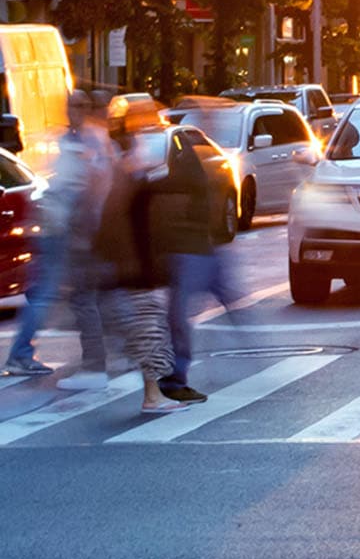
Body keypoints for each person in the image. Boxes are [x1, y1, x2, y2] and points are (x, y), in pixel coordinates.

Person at [3, 90, 111, 380]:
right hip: (63, 228)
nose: (77, 109)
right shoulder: (81, 141)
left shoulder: (75, 139)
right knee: (58, 293)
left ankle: (24, 352)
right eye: (74, 105)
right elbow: (83, 185)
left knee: (46, 292)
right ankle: (23, 355)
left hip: (58, 225)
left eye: (81, 105)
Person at [95, 118, 184, 413]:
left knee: (150, 331)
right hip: (135, 272)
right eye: (138, 144)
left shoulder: (129, 178)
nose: (143, 149)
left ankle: (153, 393)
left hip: (139, 268)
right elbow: (117, 225)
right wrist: (129, 264)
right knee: (149, 332)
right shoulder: (124, 180)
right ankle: (152, 395)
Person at [160, 129, 241, 402]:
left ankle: (172, 379)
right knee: (176, 317)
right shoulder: (188, 173)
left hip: (191, 254)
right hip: (194, 253)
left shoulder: (180, 178)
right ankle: (171, 377)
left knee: (176, 317)